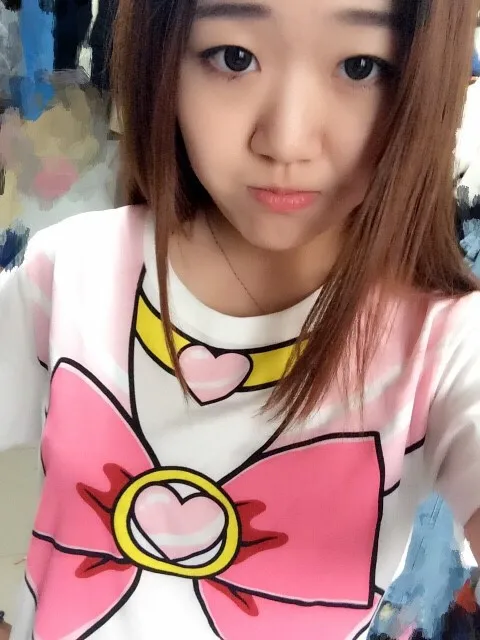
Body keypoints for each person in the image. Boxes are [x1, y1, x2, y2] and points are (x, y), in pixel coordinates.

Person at [1, 0, 480, 639]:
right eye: (234, 58)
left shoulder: (445, 343)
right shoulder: (71, 270)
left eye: (361, 67)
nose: (286, 140)